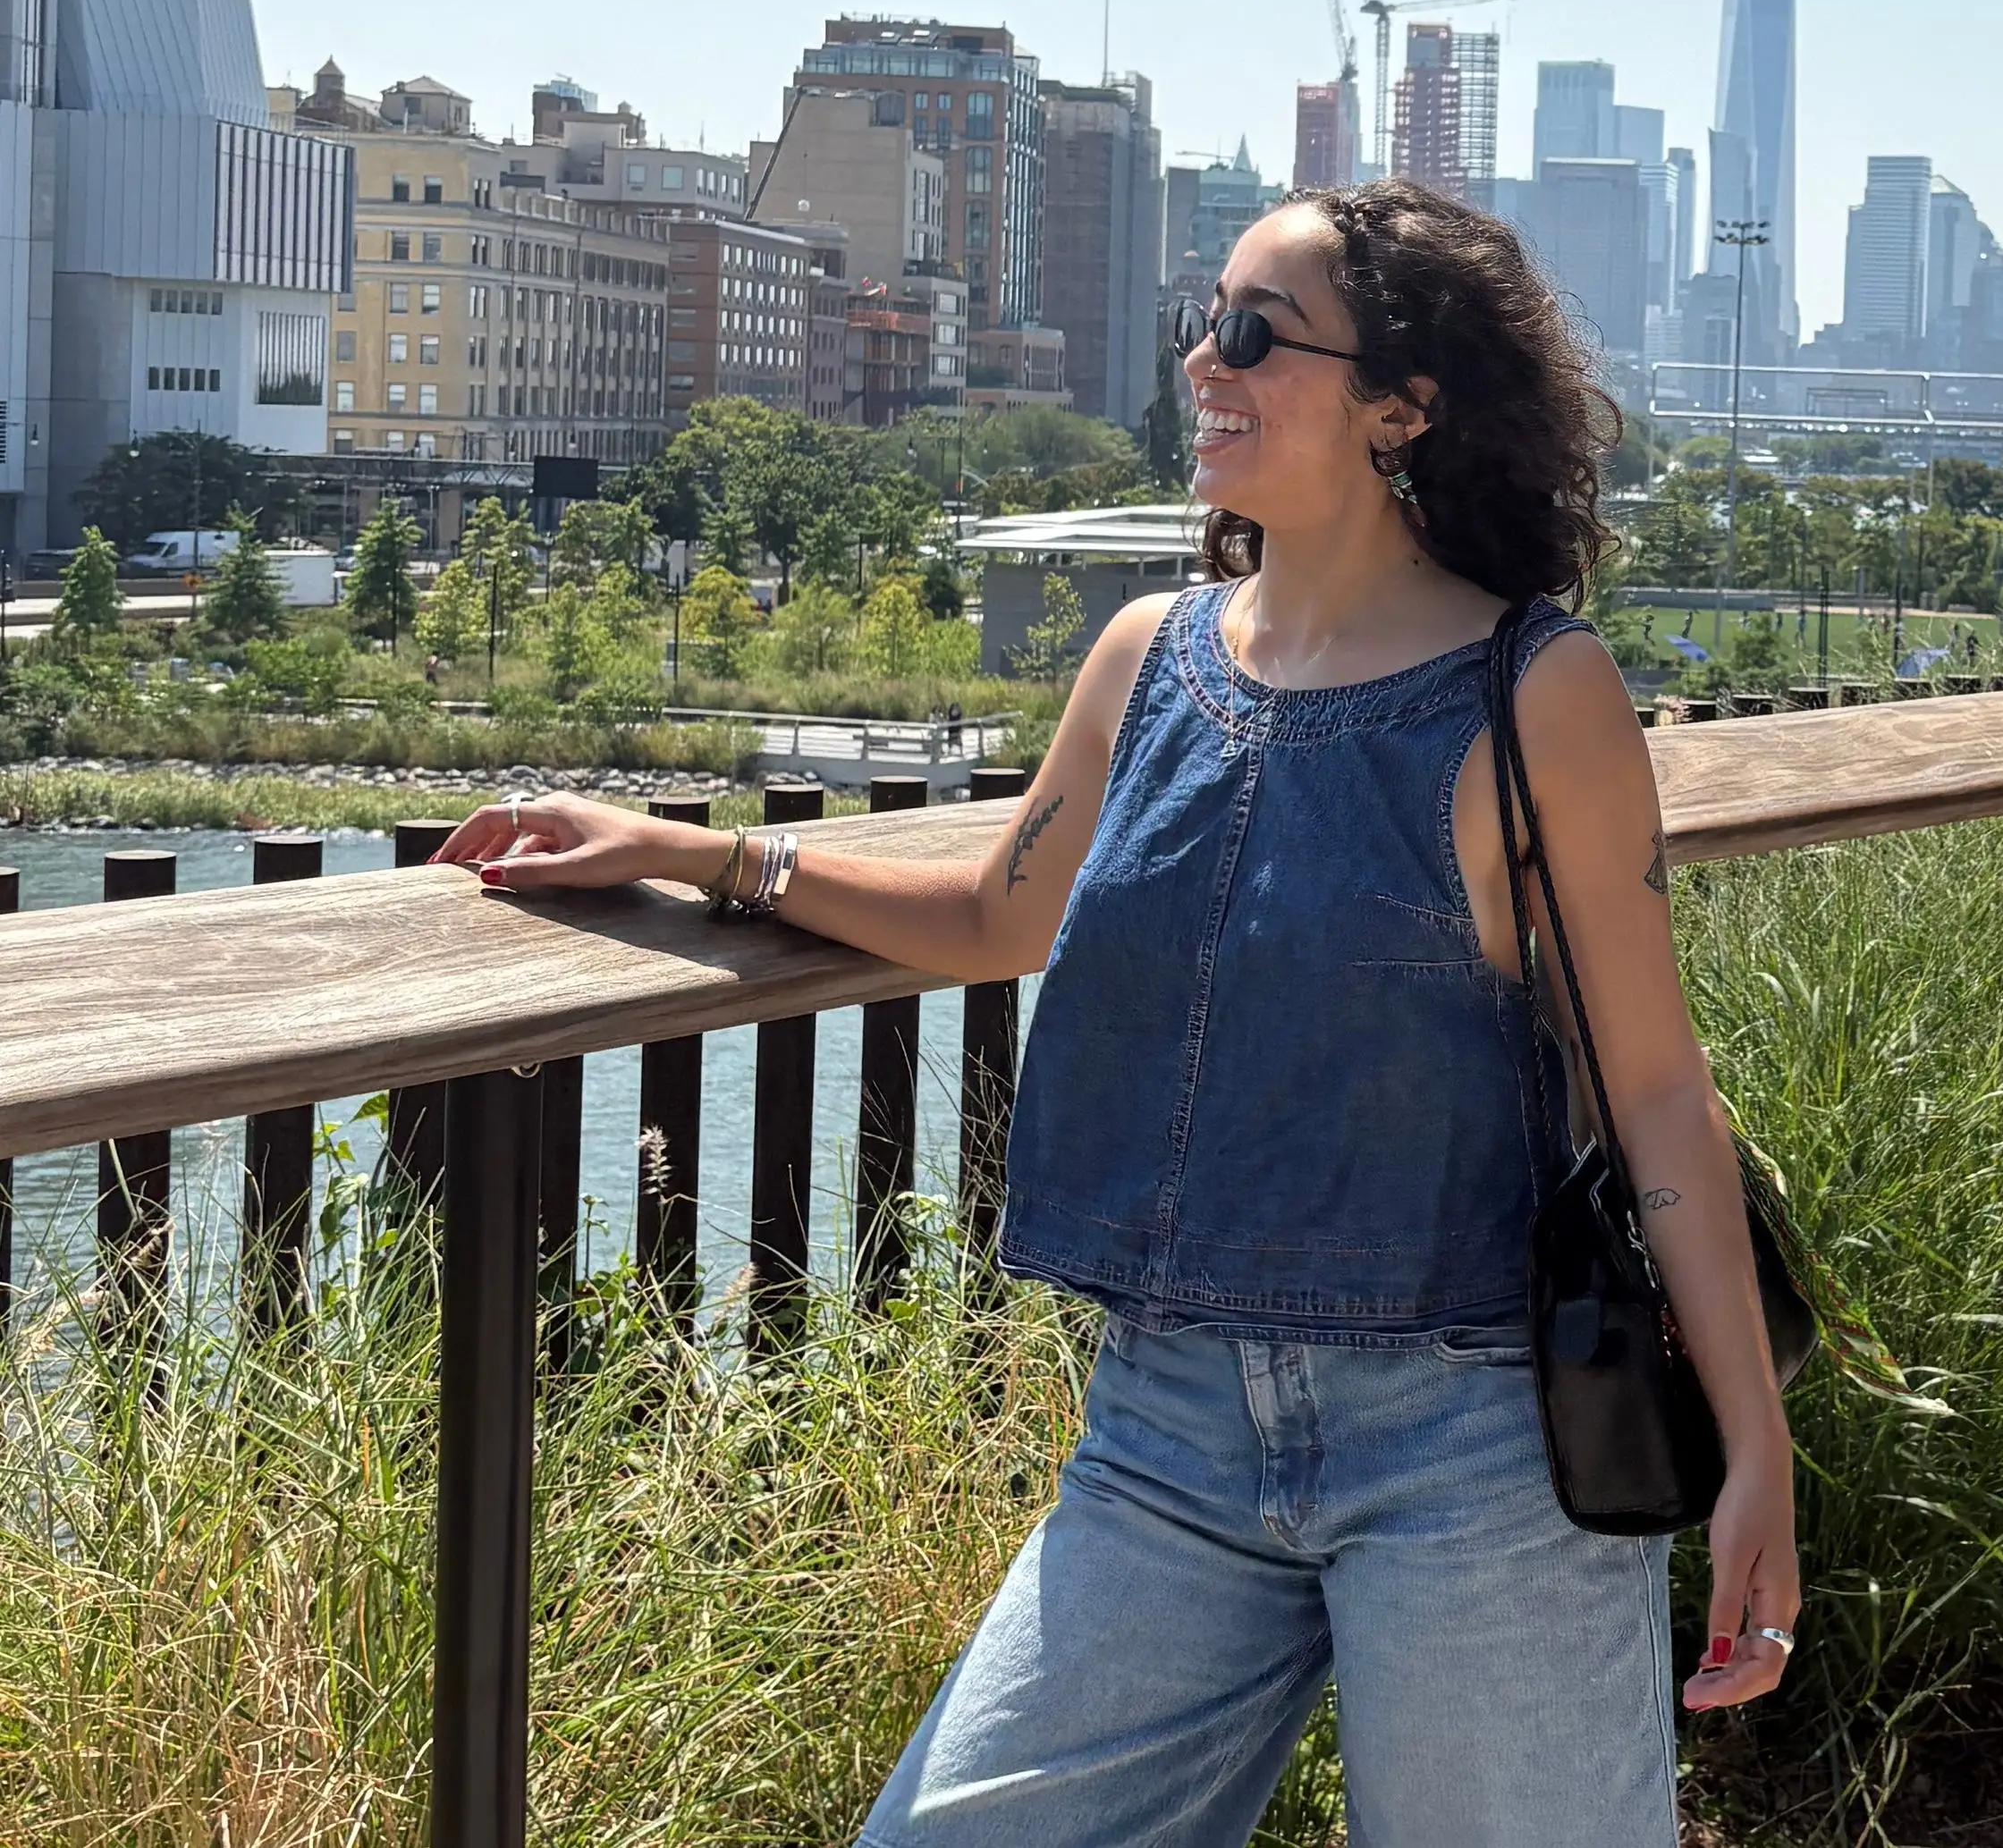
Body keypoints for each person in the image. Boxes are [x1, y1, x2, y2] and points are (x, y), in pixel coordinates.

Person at [435, 179, 1799, 1846]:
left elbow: (1655, 1090)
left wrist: (1753, 1447)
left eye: (1256, 334)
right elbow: (995, 917)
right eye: (1199, 322)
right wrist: (697, 854)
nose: (1203, 363)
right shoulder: (1148, 656)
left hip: (1475, 1443)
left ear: (1403, 405)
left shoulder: (1534, 693)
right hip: (1166, 1431)